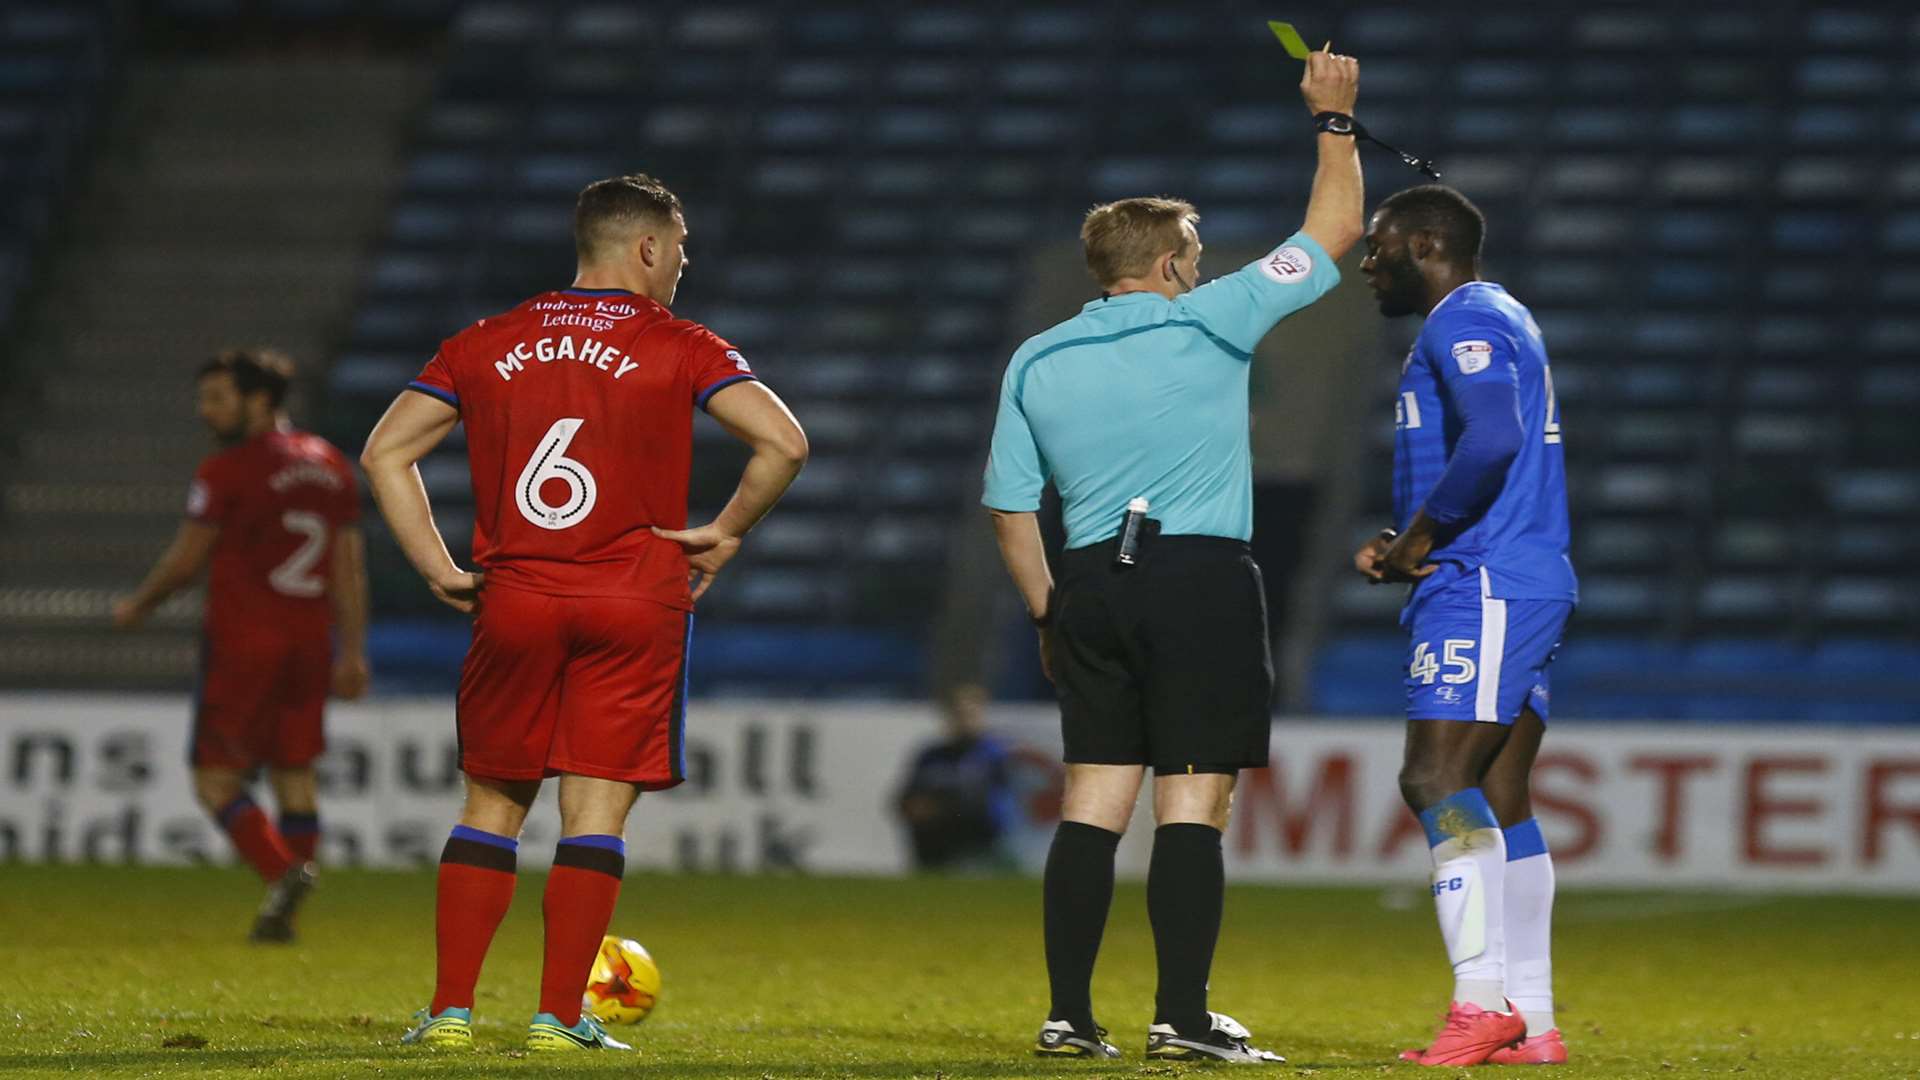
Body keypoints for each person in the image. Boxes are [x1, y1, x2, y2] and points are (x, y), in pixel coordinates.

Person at [362, 173, 807, 1053]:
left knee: (490, 804)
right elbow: (785, 441)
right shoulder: (682, 343)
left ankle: (451, 1014)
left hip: (516, 595)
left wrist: (439, 567)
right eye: (679, 247)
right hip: (634, 600)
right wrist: (723, 532)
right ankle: (559, 1020)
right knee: (594, 813)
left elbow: (384, 452)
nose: (682, 263)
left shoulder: (486, 340)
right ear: (646, 247)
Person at [982, 47, 1363, 1064]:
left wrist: (1045, 612)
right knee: (1194, 799)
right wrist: (1334, 118)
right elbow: (1333, 232)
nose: (1201, 260)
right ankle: (1183, 1019)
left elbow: (1011, 508)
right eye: (1193, 246)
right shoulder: (1212, 318)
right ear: (1167, 264)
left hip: (1089, 585)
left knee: (1092, 803)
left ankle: (1068, 1019)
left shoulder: (1038, 356)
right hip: (1197, 576)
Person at [1354, 184, 1576, 1067]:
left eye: (1377, 247)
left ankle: (1480, 1000)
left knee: (1434, 778)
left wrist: (1420, 538)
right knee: (1502, 795)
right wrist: (1406, 541)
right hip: (1513, 574)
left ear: (1423, 243)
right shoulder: (1497, 315)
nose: (1366, 264)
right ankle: (1536, 1017)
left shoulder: (1462, 320)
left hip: (1484, 581)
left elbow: (1492, 439)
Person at [113, 348, 370, 942]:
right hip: (310, 644)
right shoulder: (331, 465)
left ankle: (284, 873)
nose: (206, 412)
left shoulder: (226, 471)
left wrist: (139, 606)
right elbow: (348, 569)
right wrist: (352, 650)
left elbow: (184, 563)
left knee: (215, 781)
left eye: (216, 399)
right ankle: (289, 905)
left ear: (258, 400)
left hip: (243, 645)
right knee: (294, 771)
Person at [895, 683, 1018, 872]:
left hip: (980, 836)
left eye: (970, 715)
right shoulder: (930, 755)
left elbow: (990, 802)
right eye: (959, 714)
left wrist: (941, 806)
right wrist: (915, 805)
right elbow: (905, 797)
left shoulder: (993, 755)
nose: (964, 721)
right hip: (934, 837)